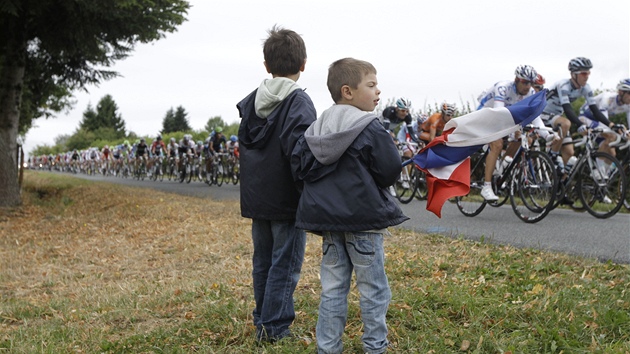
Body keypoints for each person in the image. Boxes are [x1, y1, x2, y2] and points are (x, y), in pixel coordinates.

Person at [292, 57, 409, 354]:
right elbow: (389, 169)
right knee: (373, 289)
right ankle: (375, 347)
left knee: (332, 289)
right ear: (348, 91)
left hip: (330, 225)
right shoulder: (368, 126)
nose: (378, 91)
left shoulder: (317, 129)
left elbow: (300, 167)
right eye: (371, 85)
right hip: (364, 223)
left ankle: (328, 348)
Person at [236, 25, 317, 343]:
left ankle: (263, 321)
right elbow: (301, 152)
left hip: (258, 198)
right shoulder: (298, 102)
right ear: (303, 64)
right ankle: (275, 329)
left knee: (264, 262)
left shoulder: (253, 102)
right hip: (287, 200)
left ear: (267, 65)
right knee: (285, 264)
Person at [541, 57, 616, 179]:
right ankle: (552, 157)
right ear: (574, 74)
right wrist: (580, 124)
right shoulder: (563, 85)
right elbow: (567, 109)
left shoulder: (586, 88)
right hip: (542, 115)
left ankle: (561, 191)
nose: (587, 76)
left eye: (588, 73)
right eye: (583, 73)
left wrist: (611, 125)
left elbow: (595, 110)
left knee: (569, 154)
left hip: (555, 117)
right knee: (566, 123)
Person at [476, 64, 538, 200]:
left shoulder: (530, 92)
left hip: (503, 116)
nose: (528, 86)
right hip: (486, 114)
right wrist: (515, 127)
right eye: (525, 82)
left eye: (531, 83)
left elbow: (535, 116)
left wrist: (547, 134)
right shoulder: (503, 87)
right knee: (497, 144)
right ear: (516, 79)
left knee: (525, 139)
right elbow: (498, 113)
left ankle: (503, 165)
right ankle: (486, 187)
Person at [578, 78, 630, 157]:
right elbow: (604, 123)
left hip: (598, 121)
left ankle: (599, 167)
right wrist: (621, 131)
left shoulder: (628, 105)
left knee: (612, 154)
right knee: (612, 136)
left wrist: (626, 134)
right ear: (621, 92)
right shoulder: (608, 98)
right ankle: (597, 169)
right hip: (585, 116)